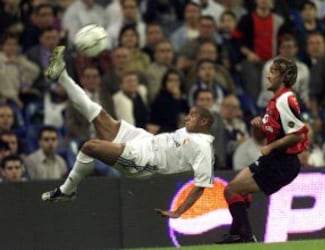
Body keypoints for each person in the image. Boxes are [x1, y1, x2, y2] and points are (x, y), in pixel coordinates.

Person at [41, 46, 215, 218]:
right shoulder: (190, 133)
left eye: (192, 116)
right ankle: (62, 75)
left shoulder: (204, 147)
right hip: (145, 139)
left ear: (204, 122)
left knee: (90, 146)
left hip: (145, 161)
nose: (186, 119)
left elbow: (201, 185)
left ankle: (67, 191)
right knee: (96, 112)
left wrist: (178, 212)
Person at [217, 57, 309, 243]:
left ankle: (245, 237)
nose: (268, 75)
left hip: (281, 163)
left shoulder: (285, 99)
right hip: (274, 160)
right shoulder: (276, 100)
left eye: (273, 72)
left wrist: (271, 146)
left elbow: (298, 134)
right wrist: (260, 124)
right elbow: (277, 130)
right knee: (234, 190)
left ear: (282, 77)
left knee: (232, 191)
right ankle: (238, 234)